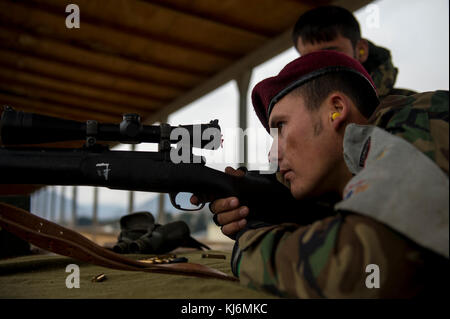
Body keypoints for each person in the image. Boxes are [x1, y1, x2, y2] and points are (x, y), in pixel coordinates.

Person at [193, 51, 448, 298]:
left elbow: (363, 269)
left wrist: (249, 244)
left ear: (336, 109)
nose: (272, 154)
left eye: (280, 127)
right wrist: (260, 211)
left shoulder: (421, 117)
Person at [292, 5, 416, 99]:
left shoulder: (416, 107)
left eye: (330, 54)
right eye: (308, 59)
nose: (318, 66)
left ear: (361, 50)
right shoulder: (299, 119)